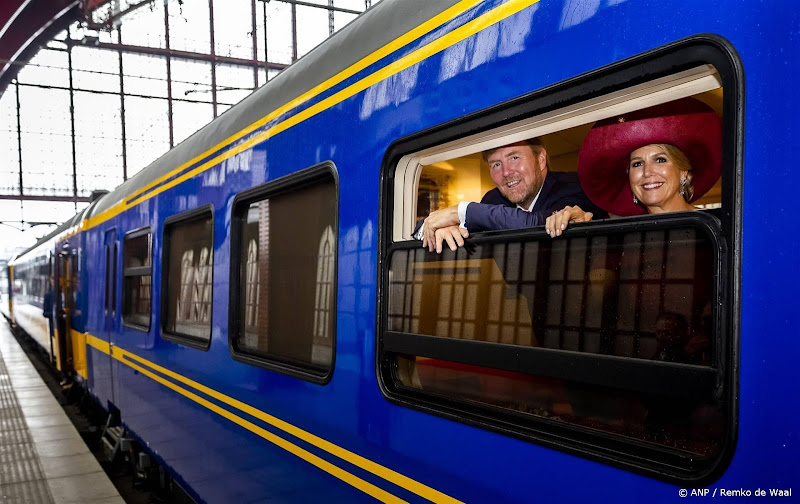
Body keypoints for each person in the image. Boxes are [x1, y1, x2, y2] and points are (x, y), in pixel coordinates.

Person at [544, 98, 722, 236]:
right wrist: (581, 230)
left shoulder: (716, 225)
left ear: (684, 172)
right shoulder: (627, 236)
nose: (647, 172)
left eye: (660, 160)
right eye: (637, 164)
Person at [415, 137, 605, 253]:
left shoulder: (575, 186)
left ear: (540, 160)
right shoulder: (493, 199)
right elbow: (425, 226)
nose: (506, 172)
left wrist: (460, 211)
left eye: (514, 158)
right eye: (496, 164)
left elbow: (536, 224)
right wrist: (435, 229)